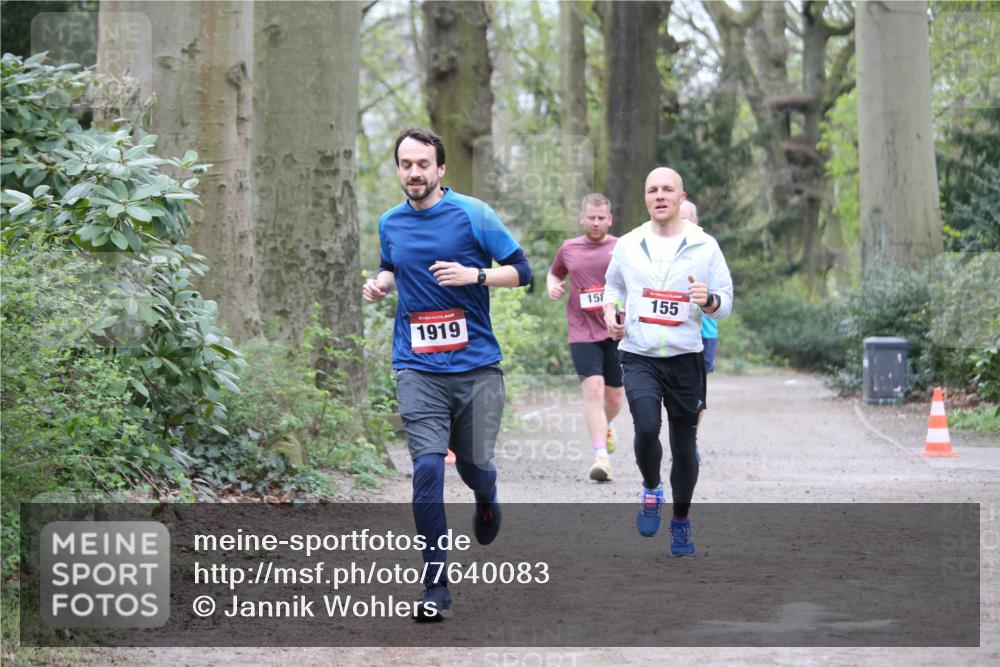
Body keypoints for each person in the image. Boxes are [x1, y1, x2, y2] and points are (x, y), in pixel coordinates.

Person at [363, 127, 532, 620]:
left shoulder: (473, 214)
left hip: (477, 367)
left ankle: (485, 493)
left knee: (475, 464)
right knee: (428, 469)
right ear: (397, 169)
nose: (414, 172)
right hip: (417, 367)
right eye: (405, 164)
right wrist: (380, 284)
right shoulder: (389, 222)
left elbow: (522, 271)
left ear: (440, 170)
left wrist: (474, 275)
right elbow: (391, 266)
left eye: (423, 164)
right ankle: (436, 586)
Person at [603, 167, 733, 557]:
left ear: (680, 197)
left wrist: (707, 300)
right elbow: (613, 284)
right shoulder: (628, 244)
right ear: (646, 198)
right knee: (644, 429)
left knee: (685, 446)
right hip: (639, 354)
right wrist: (612, 310)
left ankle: (680, 520)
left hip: (685, 358)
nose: (660, 196)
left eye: (667, 190)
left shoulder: (704, 245)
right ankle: (651, 488)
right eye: (652, 190)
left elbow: (725, 301)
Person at [546, 193, 624, 482]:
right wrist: (552, 287)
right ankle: (601, 457)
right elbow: (554, 274)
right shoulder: (569, 248)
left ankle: (606, 425)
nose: (596, 222)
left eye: (601, 218)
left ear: (610, 219)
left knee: (615, 398)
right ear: (582, 219)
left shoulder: (621, 247)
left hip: (616, 329)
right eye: (591, 217)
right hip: (581, 331)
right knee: (593, 390)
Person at [679, 201, 719, 376]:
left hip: (706, 331)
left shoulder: (708, 249)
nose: (682, 225)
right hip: (676, 332)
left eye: (686, 220)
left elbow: (721, 292)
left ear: (696, 221)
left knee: (698, 384)